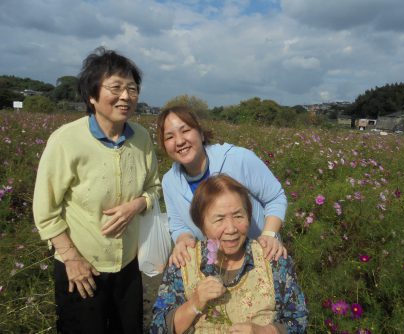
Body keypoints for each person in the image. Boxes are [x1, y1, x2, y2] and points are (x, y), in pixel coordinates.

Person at [32, 47, 161, 334]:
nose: (126, 96)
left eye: (132, 88)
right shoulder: (66, 140)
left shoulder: (140, 137)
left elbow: (154, 187)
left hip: (128, 266)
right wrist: (71, 259)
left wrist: (138, 204)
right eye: (116, 87)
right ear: (92, 95)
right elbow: (45, 210)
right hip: (81, 269)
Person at [151, 174, 308, 333]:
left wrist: (262, 331)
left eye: (239, 216)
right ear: (201, 224)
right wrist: (194, 303)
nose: (231, 228)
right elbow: (158, 327)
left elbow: (298, 321)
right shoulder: (184, 262)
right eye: (219, 219)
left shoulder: (272, 259)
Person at [157, 106, 288, 267]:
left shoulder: (237, 158)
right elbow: (178, 225)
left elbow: (275, 197)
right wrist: (184, 240)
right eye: (169, 137)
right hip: (217, 264)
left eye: (185, 130)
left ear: (201, 133)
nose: (179, 141)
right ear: (164, 146)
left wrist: (269, 234)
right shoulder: (169, 182)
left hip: (262, 255)